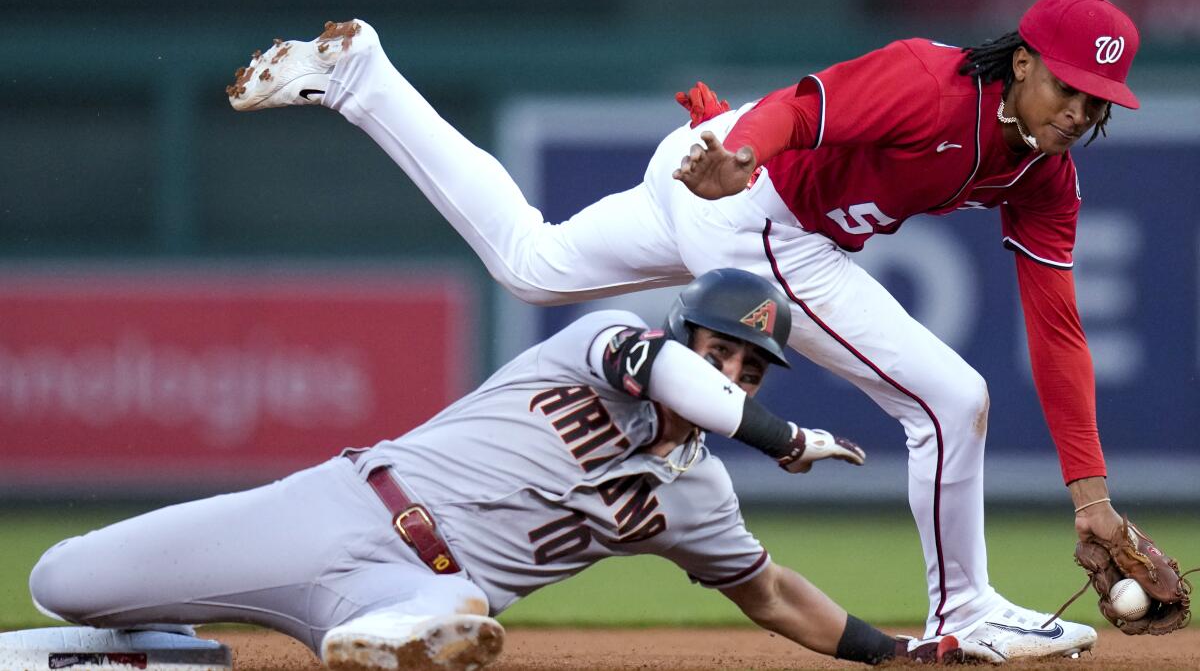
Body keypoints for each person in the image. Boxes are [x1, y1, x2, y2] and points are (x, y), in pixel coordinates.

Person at [223, 0, 1139, 661]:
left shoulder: (1044, 175)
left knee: (530, 263)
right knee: (951, 396)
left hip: (714, 176)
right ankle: (965, 610)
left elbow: (1057, 329)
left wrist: (1090, 497)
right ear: (1022, 60)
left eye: (1099, 100)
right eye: (1070, 85)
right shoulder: (931, 84)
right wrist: (743, 157)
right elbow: (806, 108)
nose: (1080, 111)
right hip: (750, 199)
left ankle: (361, 77)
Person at [8, 269, 966, 671]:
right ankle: (167, 643)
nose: (733, 373)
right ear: (685, 337)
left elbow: (770, 593)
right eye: (723, 351)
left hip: (424, 581)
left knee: (460, 614)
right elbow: (666, 372)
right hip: (337, 503)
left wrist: (893, 651)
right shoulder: (605, 342)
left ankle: (391, 637)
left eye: (752, 368)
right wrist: (785, 435)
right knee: (62, 581)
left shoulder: (698, 492)